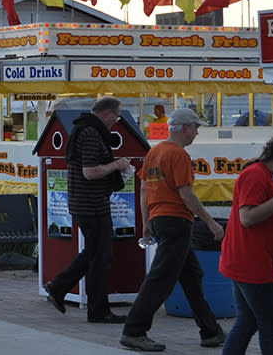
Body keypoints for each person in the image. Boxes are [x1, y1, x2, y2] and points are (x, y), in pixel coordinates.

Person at [120, 108, 226, 352]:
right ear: (186, 128)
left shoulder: (155, 151)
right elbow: (186, 194)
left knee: (191, 275)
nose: (197, 133)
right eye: (196, 128)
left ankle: (211, 331)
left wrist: (146, 222)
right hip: (176, 221)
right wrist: (210, 222)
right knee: (160, 278)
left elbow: (145, 188)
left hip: (160, 219)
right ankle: (134, 330)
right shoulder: (178, 155)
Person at [44, 96, 134, 324]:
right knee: (101, 257)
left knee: (95, 254)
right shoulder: (91, 134)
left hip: (85, 203)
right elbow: (90, 172)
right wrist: (118, 165)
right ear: (107, 113)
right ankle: (94, 309)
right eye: (116, 116)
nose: (116, 121)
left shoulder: (83, 130)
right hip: (91, 205)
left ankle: (61, 288)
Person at [219, 131, 273, 355]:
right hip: (252, 263)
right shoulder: (256, 175)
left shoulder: (262, 174)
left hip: (245, 260)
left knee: (248, 321)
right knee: (270, 327)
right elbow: (247, 218)